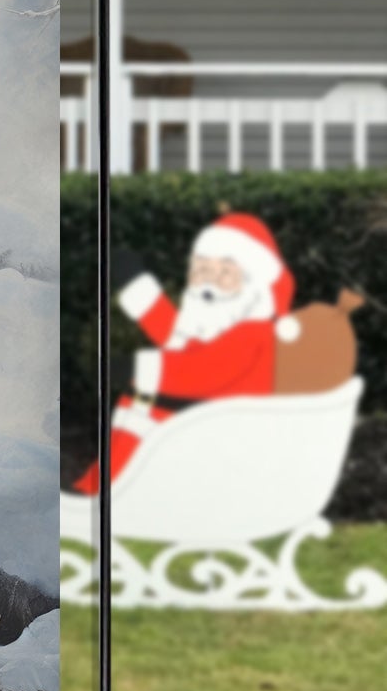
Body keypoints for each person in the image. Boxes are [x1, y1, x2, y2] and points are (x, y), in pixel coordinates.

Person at [72, 212, 298, 494]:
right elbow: (174, 336)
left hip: (220, 427)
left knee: (145, 407)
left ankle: (115, 488)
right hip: (204, 416)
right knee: (138, 405)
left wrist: (136, 368)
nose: (208, 283)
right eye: (201, 270)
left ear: (253, 283)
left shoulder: (253, 331)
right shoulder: (218, 321)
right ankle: (106, 484)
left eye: (225, 273)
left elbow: (204, 371)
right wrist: (135, 284)